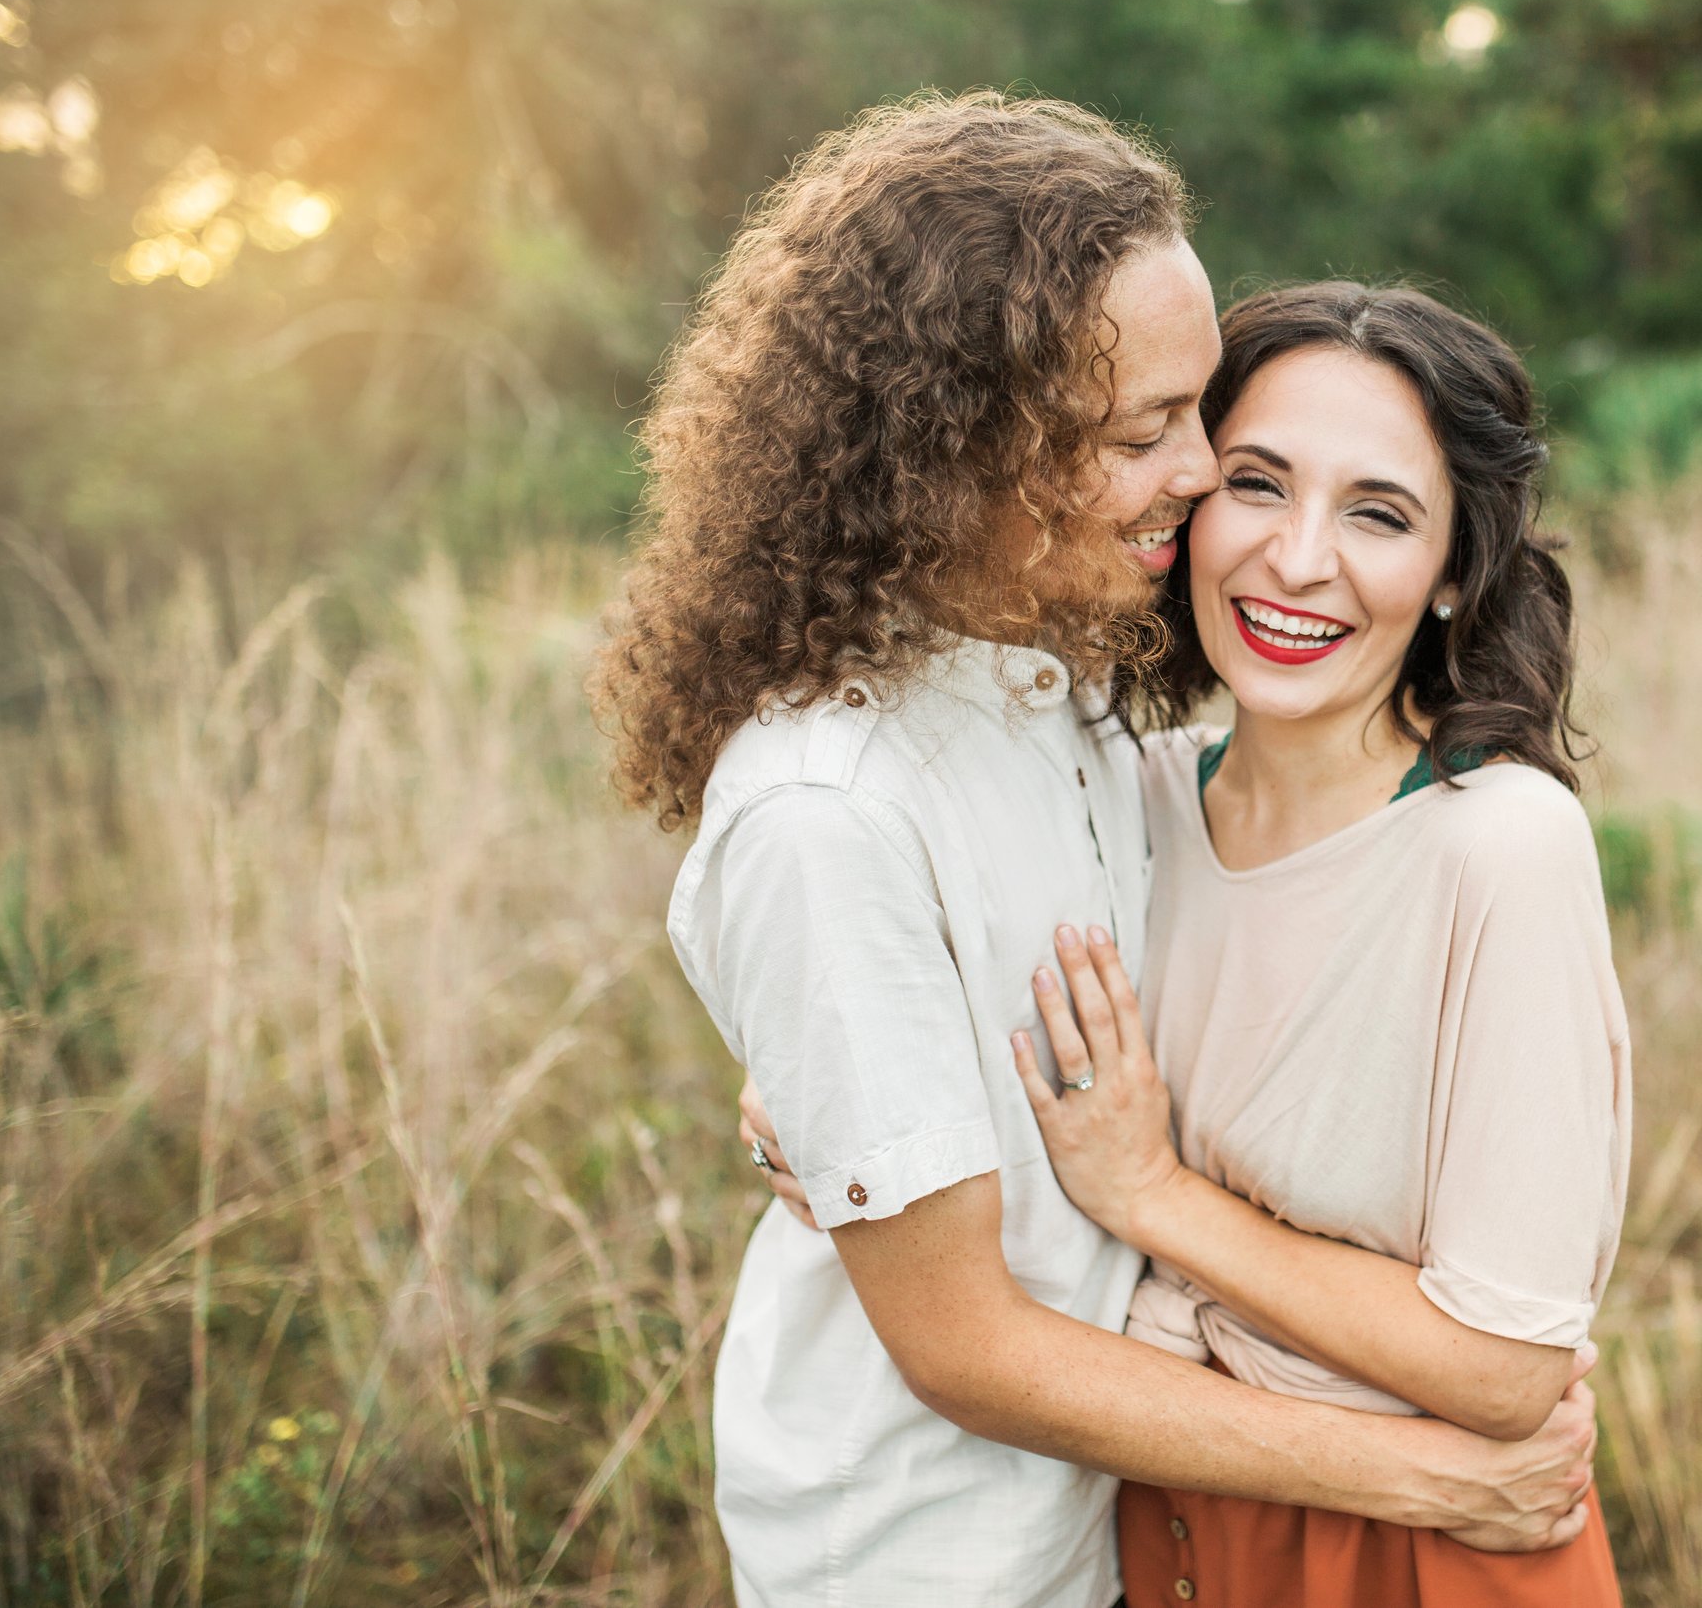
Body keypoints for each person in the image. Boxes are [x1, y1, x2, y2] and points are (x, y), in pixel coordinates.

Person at [593, 92, 1597, 1608]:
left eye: (1203, 414)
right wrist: (1431, 1480)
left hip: (1124, 1528)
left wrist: (851, 1096)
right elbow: (963, 1343)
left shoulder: (1063, 703)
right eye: (1149, 433)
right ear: (961, 447)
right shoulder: (837, 803)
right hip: (930, 1565)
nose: (1200, 477)